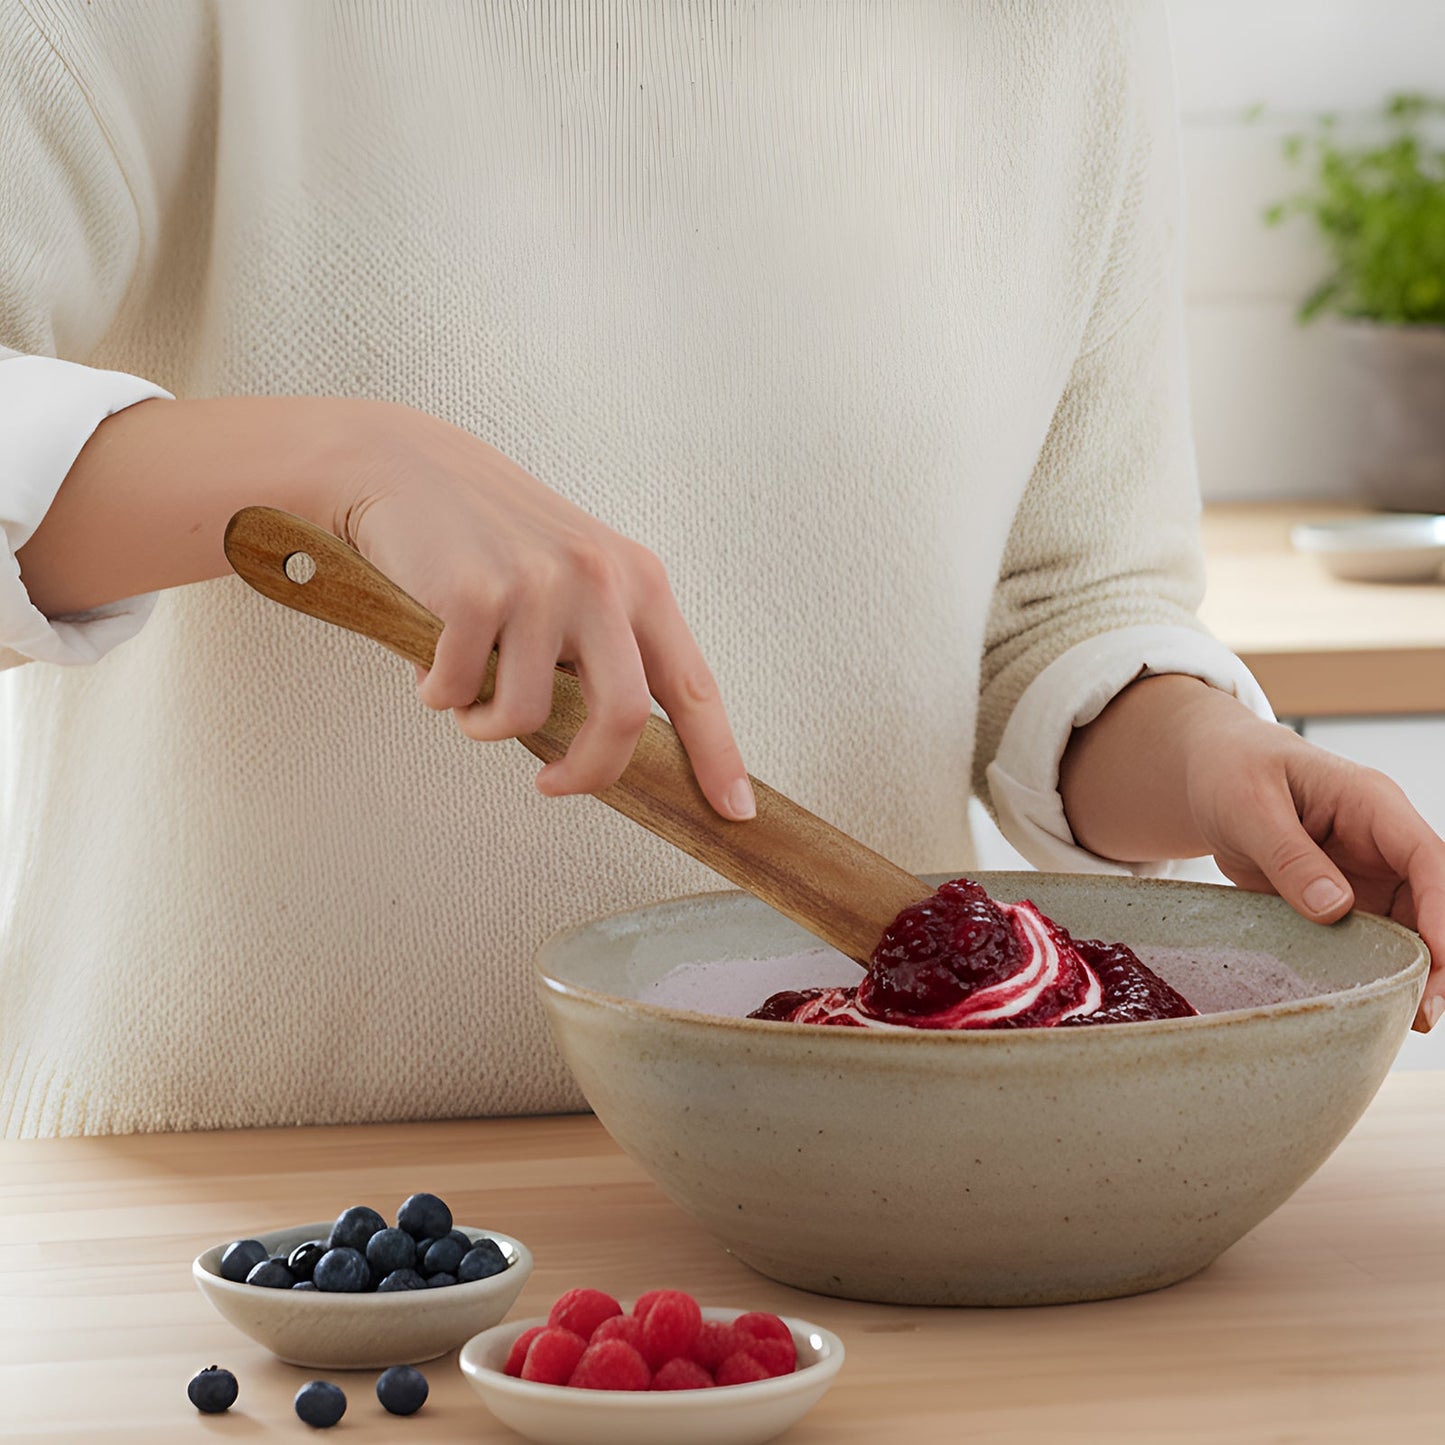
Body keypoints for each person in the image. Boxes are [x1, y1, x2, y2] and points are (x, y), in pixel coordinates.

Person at [2, 1, 1439, 1140]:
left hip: (835, 1185)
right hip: (257, 1216)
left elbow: (1069, 606)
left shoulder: (1060, 29)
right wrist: (340, 461)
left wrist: (1211, 762)